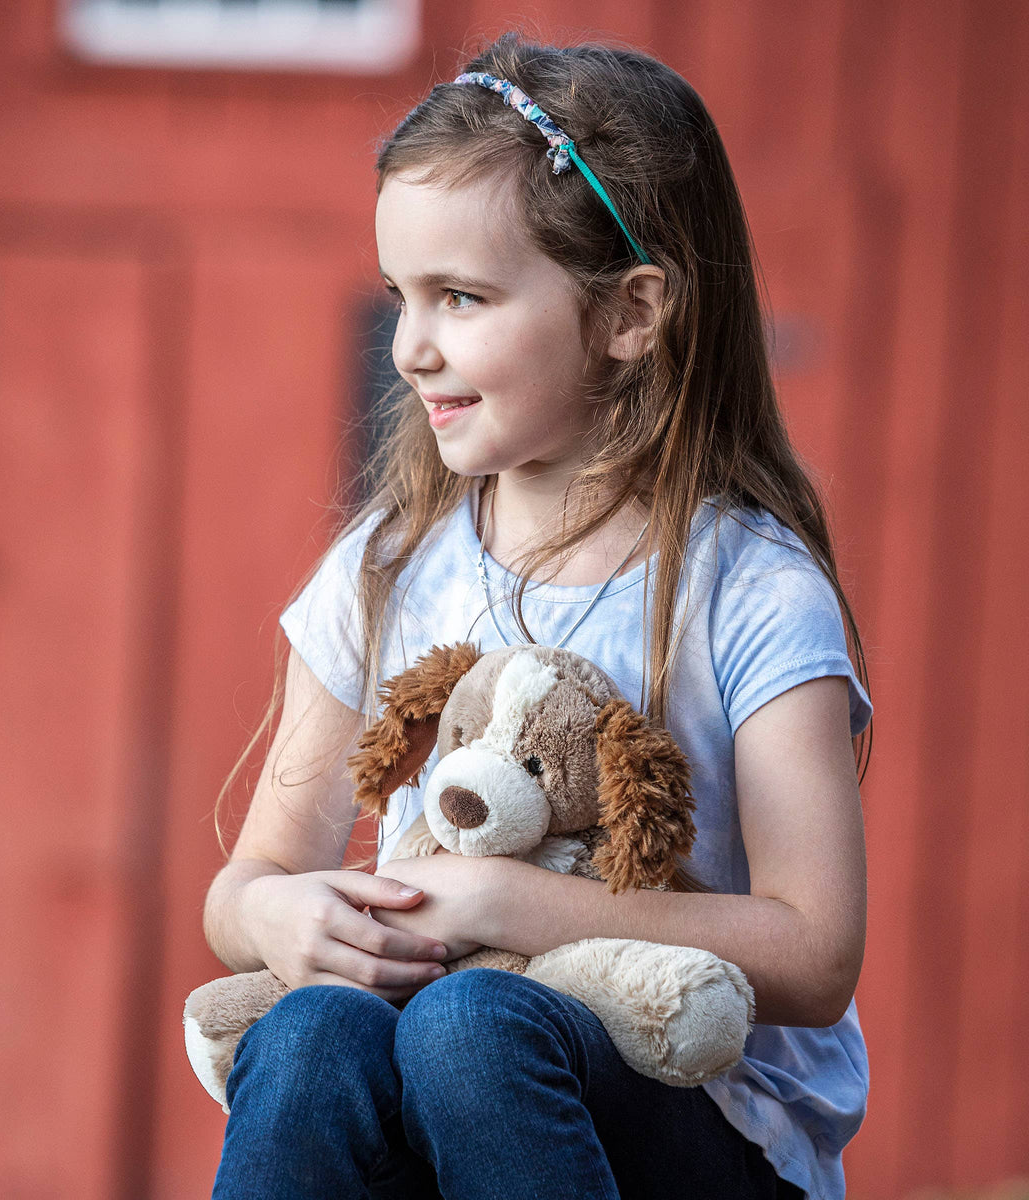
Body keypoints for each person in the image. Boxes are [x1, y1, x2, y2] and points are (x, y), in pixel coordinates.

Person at [201, 32, 870, 1200]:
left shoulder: (748, 589)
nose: (413, 347)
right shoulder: (387, 567)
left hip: (702, 1135)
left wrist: (511, 905)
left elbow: (816, 955)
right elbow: (246, 881)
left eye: (461, 297)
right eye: (401, 295)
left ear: (630, 313)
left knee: (473, 1025)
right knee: (310, 1038)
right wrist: (281, 915)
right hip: (443, 1103)